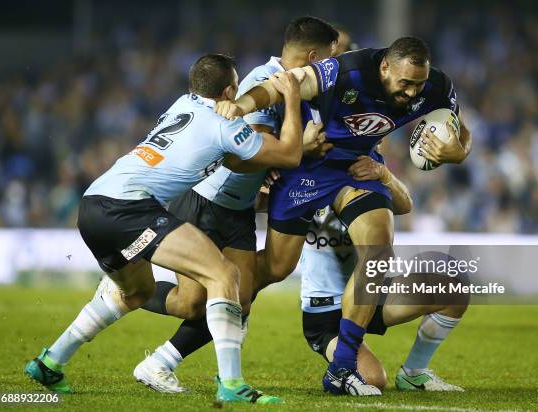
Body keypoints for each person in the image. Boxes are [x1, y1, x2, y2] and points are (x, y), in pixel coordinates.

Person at [24, 54, 304, 404]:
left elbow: (228, 158)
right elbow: (290, 155)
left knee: (137, 293)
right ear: (231, 90)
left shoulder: (181, 104)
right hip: (131, 207)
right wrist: (291, 98)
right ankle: (232, 384)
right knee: (223, 275)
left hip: (93, 203)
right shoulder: (223, 125)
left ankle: (50, 362)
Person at [215, 36, 473, 396]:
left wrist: (457, 152)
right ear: (384, 67)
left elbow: (460, 131)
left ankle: (342, 368)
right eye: (405, 84)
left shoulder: (436, 87)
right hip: (310, 169)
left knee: (380, 254)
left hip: (357, 168)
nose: (414, 93)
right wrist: (240, 106)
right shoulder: (347, 71)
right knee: (275, 267)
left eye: (419, 84)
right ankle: (209, 314)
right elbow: (286, 85)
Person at [123, 16, 338, 393]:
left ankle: (166, 364)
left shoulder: (298, 89)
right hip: (206, 199)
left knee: (240, 297)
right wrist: (296, 151)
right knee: (190, 304)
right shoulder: (262, 84)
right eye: (330, 59)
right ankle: (123, 293)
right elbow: (243, 156)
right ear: (314, 56)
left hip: (237, 208)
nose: (331, 69)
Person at [299, 157, 466, 392]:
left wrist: (383, 173)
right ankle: (344, 361)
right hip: (326, 312)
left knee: (451, 290)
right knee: (373, 379)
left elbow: (405, 204)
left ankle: (414, 372)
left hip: (369, 294)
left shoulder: (366, 176)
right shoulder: (307, 178)